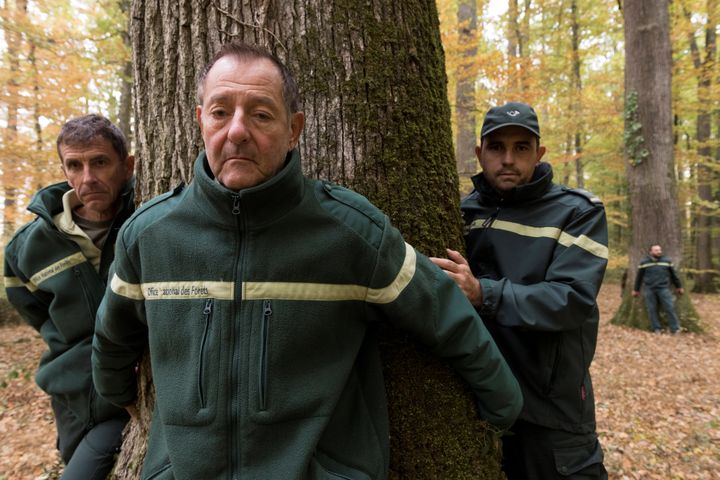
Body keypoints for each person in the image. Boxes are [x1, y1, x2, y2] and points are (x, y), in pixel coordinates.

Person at [91, 42, 522, 479]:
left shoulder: (349, 232)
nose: (237, 131)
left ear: (294, 128)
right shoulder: (150, 236)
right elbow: (112, 338)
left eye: (260, 114)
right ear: (201, 120)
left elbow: (443, 313)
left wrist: (504, 406)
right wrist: (118, 396)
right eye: (221, 112)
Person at [430, 102, 609, 479]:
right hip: (480, 406)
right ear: (479, 153)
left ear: (539, 153)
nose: (508, 159)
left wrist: (483, 293)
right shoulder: (462, 212)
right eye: (496, 148)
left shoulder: (577, 213)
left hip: (551, 413)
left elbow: (570, 300)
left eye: (521, 148)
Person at [4, 114, 135, 479]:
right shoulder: (28, 248)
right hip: (72, 394)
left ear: (127, 166)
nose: (87, 178)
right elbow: (36, 313)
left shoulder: (144, 221)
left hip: (131, 389)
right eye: (74, 166)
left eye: (100, 162)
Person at [632, 244, 684, 334]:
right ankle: (656, 328)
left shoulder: (667, 261)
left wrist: (679, 286)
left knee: (669, 307)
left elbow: (674, 275)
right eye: (656, 250)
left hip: (663, 288)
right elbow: (639, 277)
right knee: (651, 309)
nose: (659, 252)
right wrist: (636, 289)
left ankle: (675, 328)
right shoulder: (644, 262)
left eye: (660, 250)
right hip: (649, 289)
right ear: (651, 252)